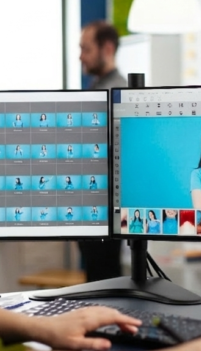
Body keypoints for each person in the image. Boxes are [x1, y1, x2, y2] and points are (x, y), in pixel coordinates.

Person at [78, 21, 129, 283]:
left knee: (105, 280)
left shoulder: (117, 93)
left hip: (105, 209)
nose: (80, 56)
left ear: (107, 48)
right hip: (93, 208)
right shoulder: (99, 89)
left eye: (86, 49)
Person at [79, 20, 127, 90]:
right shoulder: (97, 84)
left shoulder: (116, 92)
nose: (81, 57)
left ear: (108, 50)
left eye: (87, 50)